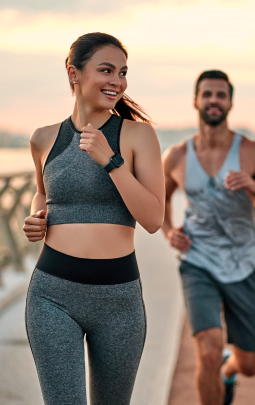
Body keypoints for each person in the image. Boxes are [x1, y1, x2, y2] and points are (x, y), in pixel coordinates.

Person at [23, 32, 165, 405]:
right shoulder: (43, 138)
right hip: (52, 296)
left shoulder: (137, 135)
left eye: (122, 72)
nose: (117, 81)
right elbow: (45, 193)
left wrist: (111, 160)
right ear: (74, 73)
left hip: (119, 301)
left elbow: (153, 219)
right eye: (106, 70)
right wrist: (37, 218)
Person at [162, 70, 255, 405]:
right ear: (195, 100)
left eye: (220, 94)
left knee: (249, 364)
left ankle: (231, 373)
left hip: (245, 262)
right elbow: (160, 200)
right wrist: (170, 231)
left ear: (229, 102)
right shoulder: (176, 156)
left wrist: (251, 187)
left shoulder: (250, 151)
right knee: (209, 352)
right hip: (198, 262)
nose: (213, 100)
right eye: (207, 94)